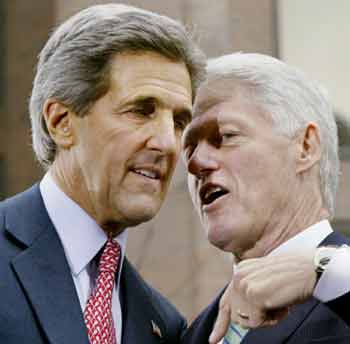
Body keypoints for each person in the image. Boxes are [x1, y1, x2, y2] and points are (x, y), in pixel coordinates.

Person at [0, 4, 207, 343]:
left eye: (179, 122)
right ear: (61, 122)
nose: (168, 143)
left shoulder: (163, 324)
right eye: (142, 111)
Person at [181, 53, 350, 344]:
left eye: (226, 136)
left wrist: (325, 271)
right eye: (189, 148)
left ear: (305, 147)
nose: (197, 163)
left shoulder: (339, 286)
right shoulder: (193, 334)